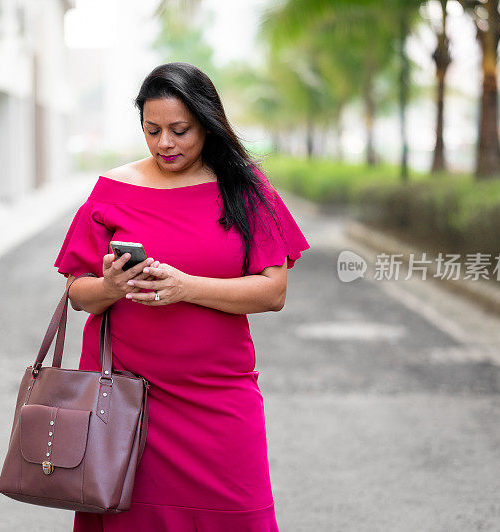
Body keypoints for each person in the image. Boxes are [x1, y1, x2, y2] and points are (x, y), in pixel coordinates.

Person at [53, 62, 310, 531]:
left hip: (220, 399)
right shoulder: (114, 189)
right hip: (128, 403)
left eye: (180, 130)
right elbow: (77, 294)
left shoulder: (247, 190)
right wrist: (111, 287)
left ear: (208, 125)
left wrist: (185, 286)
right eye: (152, 130)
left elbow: (274, 291)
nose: (164, 144)